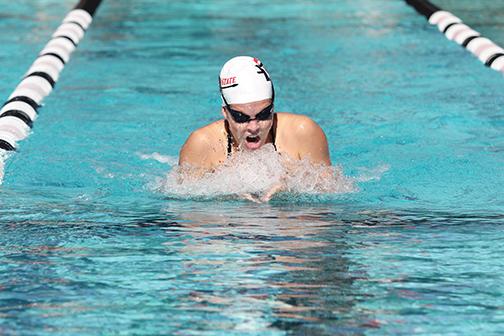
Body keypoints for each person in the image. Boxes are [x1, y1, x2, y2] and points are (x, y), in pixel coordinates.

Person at [178, 56, 332, 200]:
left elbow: (334, 190)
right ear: (225, 112)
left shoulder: (302, 131)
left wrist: (291, 188)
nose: (253, 127)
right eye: (241, 117)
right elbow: (184, 205)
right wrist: (229, 196)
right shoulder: (202, 144)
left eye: (264, 114)